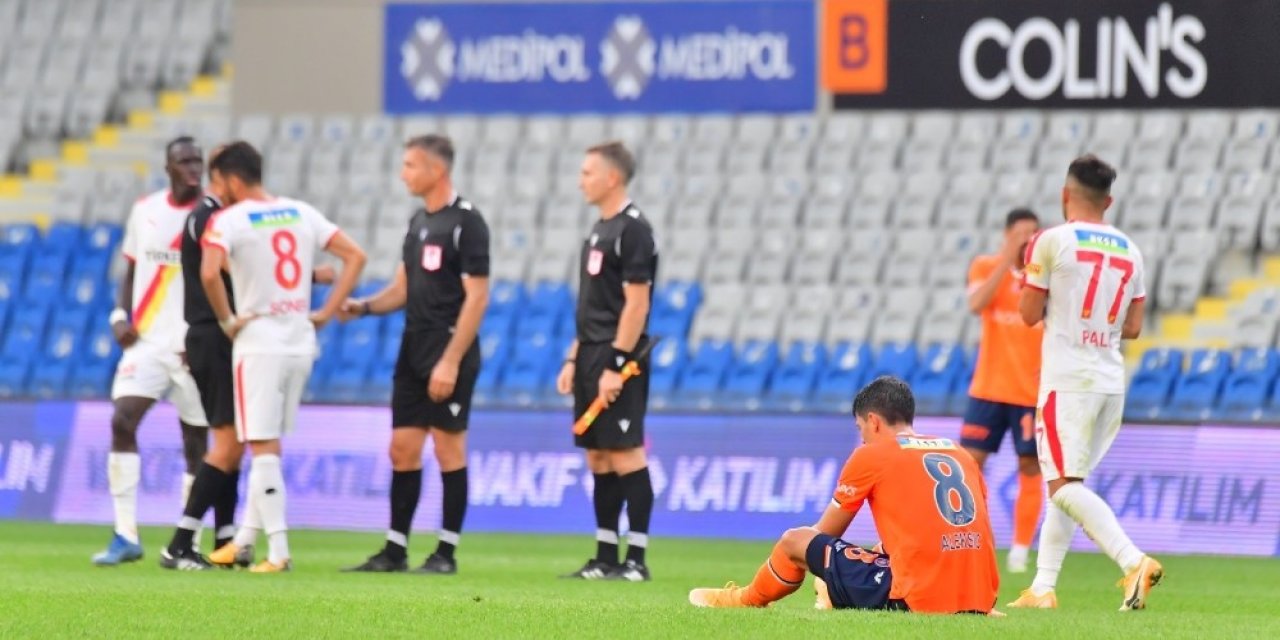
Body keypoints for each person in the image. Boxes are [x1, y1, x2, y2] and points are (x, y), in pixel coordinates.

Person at [688, 376, 1000, 615]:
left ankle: (745, 600)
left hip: (917, 598)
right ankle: (832, 593)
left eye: (860, 427)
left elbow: (823, 535)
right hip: (979, 597)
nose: (862, 435)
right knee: (879, 549)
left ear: (873, 421)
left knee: (795, 541)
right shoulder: (959, 452)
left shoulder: (872, 455)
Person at [200, 142, 366, 572]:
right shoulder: (300, 212)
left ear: (233, 181)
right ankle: (244, 542)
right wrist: (327, 311)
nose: (218, 193)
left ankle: (278, 553)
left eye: (218, 183)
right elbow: (355, 256)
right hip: (299, 339)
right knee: (268, 442)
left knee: (262, 445)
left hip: (259, 342)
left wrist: (228, 320)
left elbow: (207, 271)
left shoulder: (229, 219)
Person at [1010, 155, 1162, 611]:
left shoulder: (1050, 240)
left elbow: (1028, 313)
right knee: (1067, 484)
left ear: (1064, 195)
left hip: (1068, 378)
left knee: (1062, 487)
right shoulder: (1130, 249)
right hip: (1109, 381)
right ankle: (1042, 587)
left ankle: (1133, 560)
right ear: (1109, 201)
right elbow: (1133, 326)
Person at [341, 134, 489, 575]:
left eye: (410, 165)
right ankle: (395, 549)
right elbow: (402, 288)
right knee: (402, 449)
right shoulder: (418, 222)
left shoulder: (467, 223)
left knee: (448, 449)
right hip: (413, 348)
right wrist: (365, 307)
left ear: (436, 170)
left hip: (449, 347)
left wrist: (450, 359)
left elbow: (477, 298)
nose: (403, 174)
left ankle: (445, 552)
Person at [93, 137, 211, 566]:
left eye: (198, 160)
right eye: (185, 161)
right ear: (168, 166)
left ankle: (187, 538)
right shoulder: (146, 211)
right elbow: (131, 268)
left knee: (196, 442)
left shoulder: (212, 215)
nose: (193, 168)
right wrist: (120, 315)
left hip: (191, 347)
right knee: (122, 420)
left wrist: (205, 337)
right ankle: (125, 533)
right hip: (147, 343)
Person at [556, 141, 658, 582]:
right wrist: (573, 358)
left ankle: (636, 559)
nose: (581, 180)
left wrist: (616, 364)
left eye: (587, 173)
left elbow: (636, 305)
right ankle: (604, 555)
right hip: (591, 354)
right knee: (597, 457)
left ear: (612, 177)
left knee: (626, 453)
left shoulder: (634, 230)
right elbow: (591, 305)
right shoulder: (598, 230)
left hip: (620, 356)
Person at [963, 208, 1044, 574]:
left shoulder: (1043, 276)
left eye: (1032, 235)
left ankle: (1020, 550)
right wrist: (1005, 260)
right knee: (969, 464)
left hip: (1029, 391)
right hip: (988, 388)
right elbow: (976, 304)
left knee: (1030, 467)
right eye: (1020, 235)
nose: (1025, 242)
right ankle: (968, 536)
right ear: (1007, 234)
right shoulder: (984, 265)